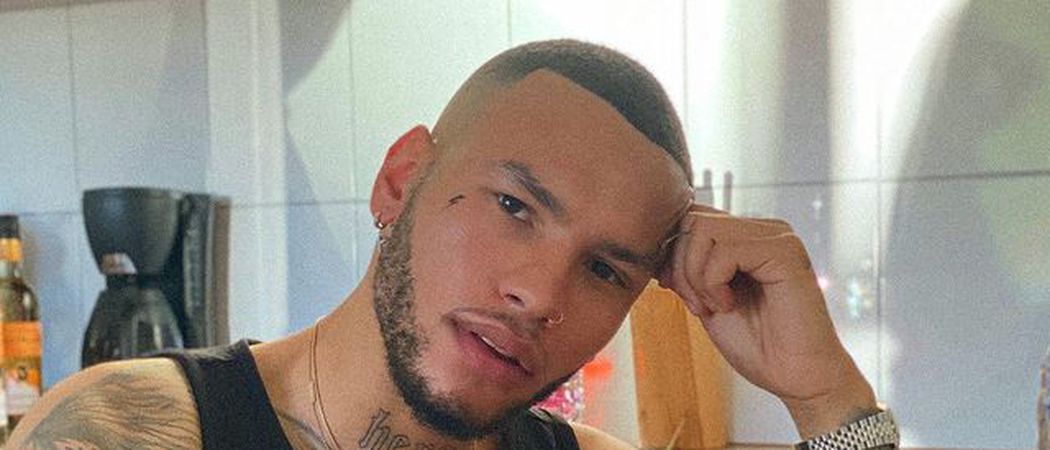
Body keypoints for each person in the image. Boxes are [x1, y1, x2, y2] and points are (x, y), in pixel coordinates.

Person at [7, 39, 896, 450]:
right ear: (402, 180)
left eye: (602, 268)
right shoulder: (131, 435)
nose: (541, 295)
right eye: (514, 206)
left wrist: (827, 397)